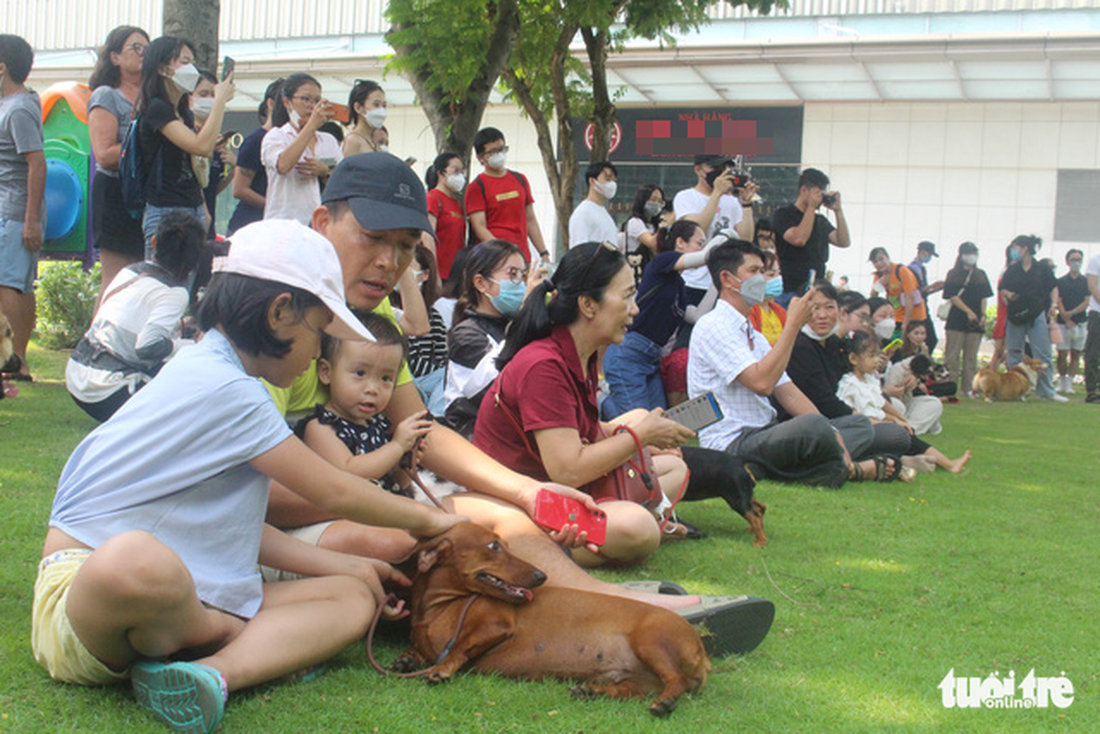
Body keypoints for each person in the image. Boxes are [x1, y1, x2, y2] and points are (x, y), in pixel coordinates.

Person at [263, 153, 769, 647]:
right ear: (322, 221)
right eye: (373, 238)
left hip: (376, 497)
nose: (390, 262)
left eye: (403, 246)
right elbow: (253, 495)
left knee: (504, 520)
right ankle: (607, 610)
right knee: (428, 537)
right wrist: (410, 508)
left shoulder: (377, 323)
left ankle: (601, 603)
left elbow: (423, 429)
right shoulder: (274, 321)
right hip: (291, 521)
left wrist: (526, 493)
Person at [33, 219, 460, 732]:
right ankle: (223, 631)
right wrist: (433, 521)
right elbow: (332, 488)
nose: (316, 355)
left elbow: (229, 527)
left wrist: (340, 567)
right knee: (132, 560)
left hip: (180, 589)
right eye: (320, 333)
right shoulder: (228, 388)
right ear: (281, 313)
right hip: (84, 596)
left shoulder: (213, 371)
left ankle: (209, 673)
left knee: (355, 595)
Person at [474, 240, 700, 559]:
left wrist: (645, 443)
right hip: (521, 504)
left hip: (558, 487)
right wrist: (640, 435)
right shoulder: (544, 366)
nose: (635, 309)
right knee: (638, 528)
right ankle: (535, 548)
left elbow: (587, 435)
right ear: (588, 305)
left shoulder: (583, 355)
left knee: (674, 467)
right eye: (626, 296)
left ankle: (622, 518)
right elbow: (567, 470)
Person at [687, 239, 906, 486]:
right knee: (813, 427)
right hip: (732, 442)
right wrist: (792, 325)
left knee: (862, 427)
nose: (762, 279)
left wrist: (831, 432)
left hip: (767, 433)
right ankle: (848, 469)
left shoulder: (754, 335)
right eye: (754, 271)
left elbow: (789, 394)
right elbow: (761, 383)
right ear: (727, 279)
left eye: (763, 271)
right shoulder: (713, 325)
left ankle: (811, 464)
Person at [66, 211, 204, 421]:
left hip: (77, 376)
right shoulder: (174, 292)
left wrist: (179, 328)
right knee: (191, 372)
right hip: (107, 391)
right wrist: (189, 346)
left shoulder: (130, 271)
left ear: (155, 242)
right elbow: (147, 346)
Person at [296, 311, 432, 506]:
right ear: (326, 372)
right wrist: (396, 447)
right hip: (347, 517)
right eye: (360, 373)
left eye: (386, 378)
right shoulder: (321, 427)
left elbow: (396, 483)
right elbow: (349, 473)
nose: (372, 389)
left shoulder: (378, 424)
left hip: (387, 509)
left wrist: (404, 462)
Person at [601, 220, 718, 417]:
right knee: (639, 425)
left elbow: (698, 315)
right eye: (700, 242)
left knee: (659, 422)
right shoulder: (662, 262)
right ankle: (601, 401)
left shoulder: (679, 285)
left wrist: (718, 278)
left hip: (651, 359)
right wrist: (724, 239)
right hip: (629, 355)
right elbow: (706, 256)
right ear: (680, 243)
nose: (703, 248)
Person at [136, 36, 233, 256]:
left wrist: (203, 207)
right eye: (184, 61)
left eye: (192, 62)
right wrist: (219, 101)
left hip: (193, 207)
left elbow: (202, 152)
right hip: (165, 211)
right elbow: (199, 146)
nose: (192, 69)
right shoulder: (156, 108)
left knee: (186, 286)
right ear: (163, 68)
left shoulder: (183, 112)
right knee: (164, 284)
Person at [838, 330, 970, 473]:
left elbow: (880, 404)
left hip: (877, 424)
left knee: (906, 432)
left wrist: (900, 418)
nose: (877, 360)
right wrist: (891, 422)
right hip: (865, 430)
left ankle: (942, 462)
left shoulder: (870, 380)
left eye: (877, 355)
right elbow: (854, 418)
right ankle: (947, 464)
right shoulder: (849, 385)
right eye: (871, 356)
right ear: (853, 359)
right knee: (901, 435)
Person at [443, 240, 536, 437]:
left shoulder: (511, 325)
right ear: (481, 283)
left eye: (523, 275)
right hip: (476, 441)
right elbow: (495, 389)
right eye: (512, 275)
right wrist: (527, 314)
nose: (521, 283)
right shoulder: (466, 334)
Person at [87, 25, 149, 306]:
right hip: (114, 192)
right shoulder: (106, 95)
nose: (142, 54)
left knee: (142, 278)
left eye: (147, 48)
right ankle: (96, 344)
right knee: (116, 278)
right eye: (135, 47)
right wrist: (145, 149)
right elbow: (104, 154)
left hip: (145, 195)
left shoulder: (152, 97)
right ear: (114, 57)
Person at [0, 34, 45, 383]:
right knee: (20, 285)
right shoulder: (15, 105)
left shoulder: (17, 109)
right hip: (14, 210)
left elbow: (37, 164)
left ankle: (16, 363)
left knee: (8, 285)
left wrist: (30, 220)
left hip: (14, 211)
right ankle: (18, 361)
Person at [261, 72, 341, 225]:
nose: (312, 105)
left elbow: (342, 177)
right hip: (282, 222)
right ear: (287, 102)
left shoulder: (328, 140)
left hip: (317, 223)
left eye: (317, 100)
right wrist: (311, 126)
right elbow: (283, 165)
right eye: (305, 99)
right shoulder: (276, 136)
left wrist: (325, 171)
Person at [465, 127, 549, 261]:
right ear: (480, 157)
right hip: (493, 260)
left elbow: (530, 220)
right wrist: (503, 253)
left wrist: (543, 252)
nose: (499, 154)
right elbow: (479, 227)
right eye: (492, 152)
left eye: (501, 149)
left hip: (522, 258)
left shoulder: (520, 179)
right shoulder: (476, 187)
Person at [772, 168, 850, 308]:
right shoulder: (784, 215)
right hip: (790, 290)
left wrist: (838, 211)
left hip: (816, 289)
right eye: (817, 192)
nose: (820, 198)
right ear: (804, 190)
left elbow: (843, 241)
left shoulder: (820, 220)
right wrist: (811, 208)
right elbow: (799, 239)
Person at [1000, 234, 1065, 402]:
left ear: (1025, 249)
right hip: (1016, 314)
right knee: (1015, 352)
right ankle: (1014, 390)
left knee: (1043, 353)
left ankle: (1046, 391)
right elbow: (1003, 288)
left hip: (1036, 314)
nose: (1013, 251)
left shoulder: (1042, 269)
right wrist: (1008, 294)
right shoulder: (1012, 269)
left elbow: (1053, 287)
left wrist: (1053, 305)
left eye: (1016, 248)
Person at [393, 245, 449, 416]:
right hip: (408, 378)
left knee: (448, 374)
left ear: (425, 275)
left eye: (408, 267)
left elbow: (441, 355)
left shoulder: (434, 316)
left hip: (432, 380)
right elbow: (410, 359)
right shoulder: (389, 309)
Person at [226, 79, 281, 236]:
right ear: (271, 104)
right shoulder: (256, 140)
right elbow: (240, 189)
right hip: (248, 227)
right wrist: (274, 206)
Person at [942, 241, 992, 397]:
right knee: (952, 357)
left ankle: (968, 388)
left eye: (973, 253)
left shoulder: (980, 274)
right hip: (956, 320)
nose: (971, 256)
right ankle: (950, 387)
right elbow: (952, 296)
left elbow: (985, 296)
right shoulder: (952, 274)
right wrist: (968, 311)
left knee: (971, 357)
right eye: (968, 253)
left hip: (975, 322)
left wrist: (983, 314)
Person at [191, 69, 235, 238]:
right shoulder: (186, 135)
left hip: (209, 225)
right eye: (203, 94)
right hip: (189, 219)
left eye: (213, 95)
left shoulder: (216, 139)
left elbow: (212, 187)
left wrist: (233, 167)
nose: (210, 100)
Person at [424, 152, 467, 280]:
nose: (460, 175)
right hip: (439, 275)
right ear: (441, 173)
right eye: (455, 171)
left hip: (455, 275)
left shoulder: (457, 205)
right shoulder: (432, 199)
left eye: (462, 171)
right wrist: (434, 273)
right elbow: (427, 237)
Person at [869, 247, 926, 339]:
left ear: (888, 257)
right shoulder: (879, 275)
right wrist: (879, 283)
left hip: (914, 316)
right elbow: (872, 299)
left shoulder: (901, 271)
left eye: (881, 259)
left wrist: (905, 323)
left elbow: (910, 298)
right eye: (875, 262)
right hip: (895, 317)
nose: (879, 263)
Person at [1055, 249, 1089, 393]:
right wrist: (1065, 315)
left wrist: (1073, 313)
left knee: (1076, 353)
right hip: (1063, 323)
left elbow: (1087, 301)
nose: (1076, 262)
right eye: (1073, 259)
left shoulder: (1086, 281)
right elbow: (1058, 299)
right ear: (1067, 261)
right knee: (1062, 353)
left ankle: (1070, 381)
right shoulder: (1061, 281)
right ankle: (1061, 380)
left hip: (1080, 321)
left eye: (1079, 259)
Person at [568, 161, 619, 247]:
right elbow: (579, 250)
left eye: (614, 181)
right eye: (608, 178)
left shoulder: (604, 213)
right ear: (592, 181)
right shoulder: (583, 213)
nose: (612, 184)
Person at [622, 184, 664, 285]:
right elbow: (653, 243)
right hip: (637, 276)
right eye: (653, 199)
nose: (656, 204)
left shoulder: (654, 226)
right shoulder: (635, 222)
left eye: (660, 201)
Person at [909, 240, 944, 353]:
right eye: (929, 254)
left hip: (923, 306)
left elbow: (922, 293)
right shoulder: (912, 269)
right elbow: (914, 292)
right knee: (929, 339)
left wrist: (934, 289)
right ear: (923, 252)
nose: (929, 257)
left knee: (929, 339)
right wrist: (930, 287)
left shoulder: (922, 269)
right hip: (916, 309)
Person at [748, 250, 787, 346]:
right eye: (771, 275)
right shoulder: (749, 310)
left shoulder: (779, 311)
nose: (778, 278)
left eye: (779, 273)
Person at [341, 79, 387, 156]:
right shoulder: (353, 140)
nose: (381, 110)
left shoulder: (373, 141)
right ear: (358, 108)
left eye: (384, 105)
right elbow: (348, 167)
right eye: (376, 104)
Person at [1084, 250, 1100, 404]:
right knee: (1093, 353)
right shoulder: (1096, 261)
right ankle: (1091, 391)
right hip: (1098, 313)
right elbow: (1093, 286)